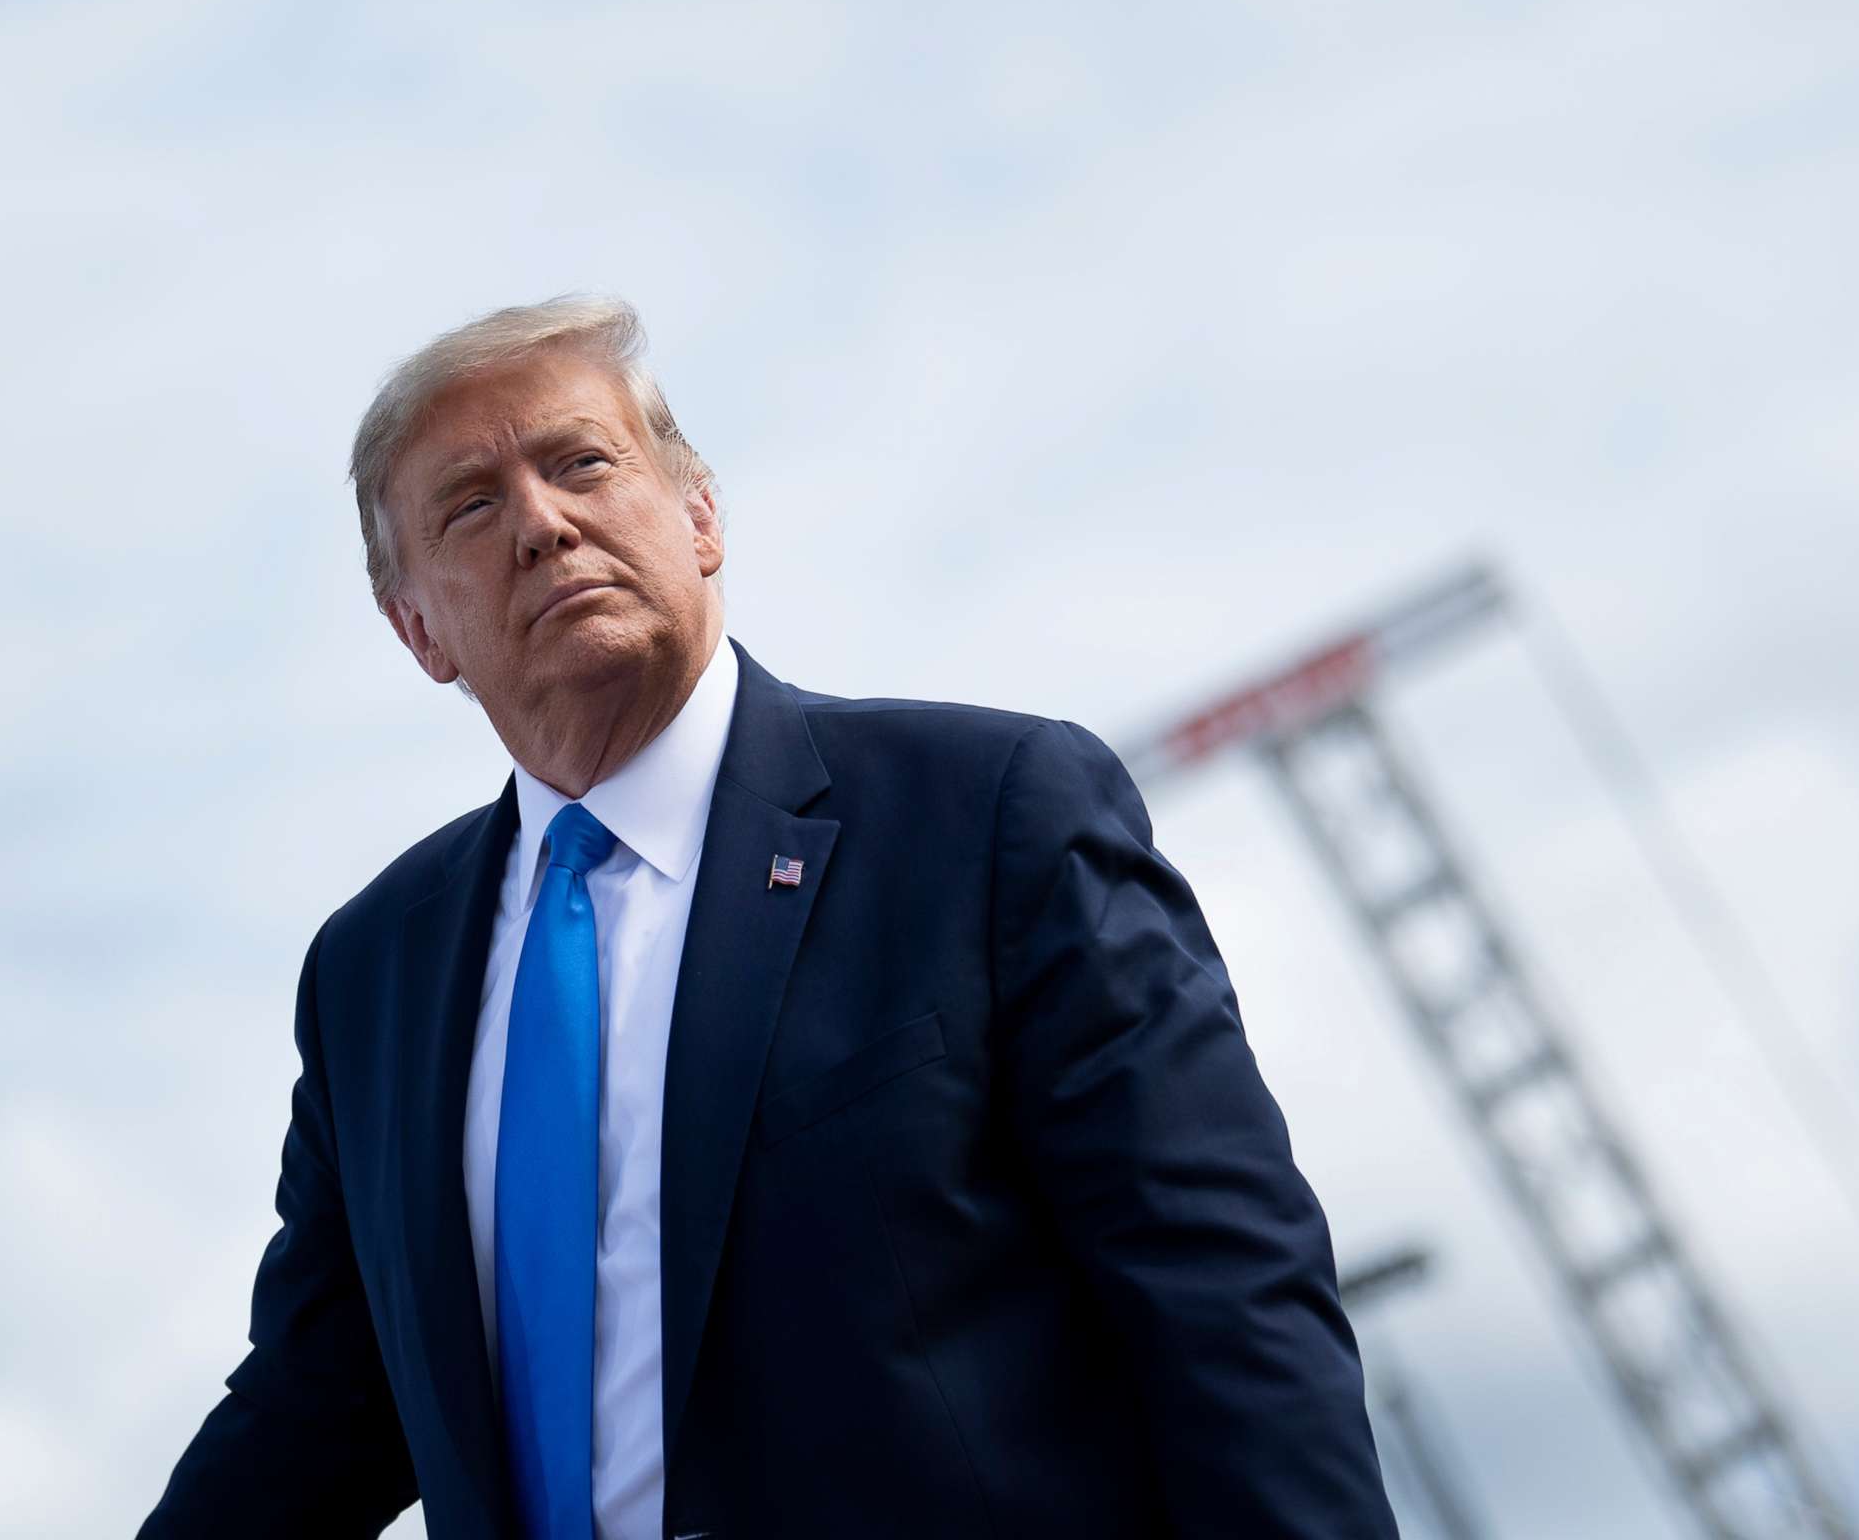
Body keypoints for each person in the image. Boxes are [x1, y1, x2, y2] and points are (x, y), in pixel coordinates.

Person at [140, 296, 1398, 1540]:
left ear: (699, 516)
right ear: (418, 629)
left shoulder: (985, 814)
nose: (543, 523)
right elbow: (316, 1405)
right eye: (471, 505)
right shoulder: (373, 972)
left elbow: (1228, 1304)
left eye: (582, 462)